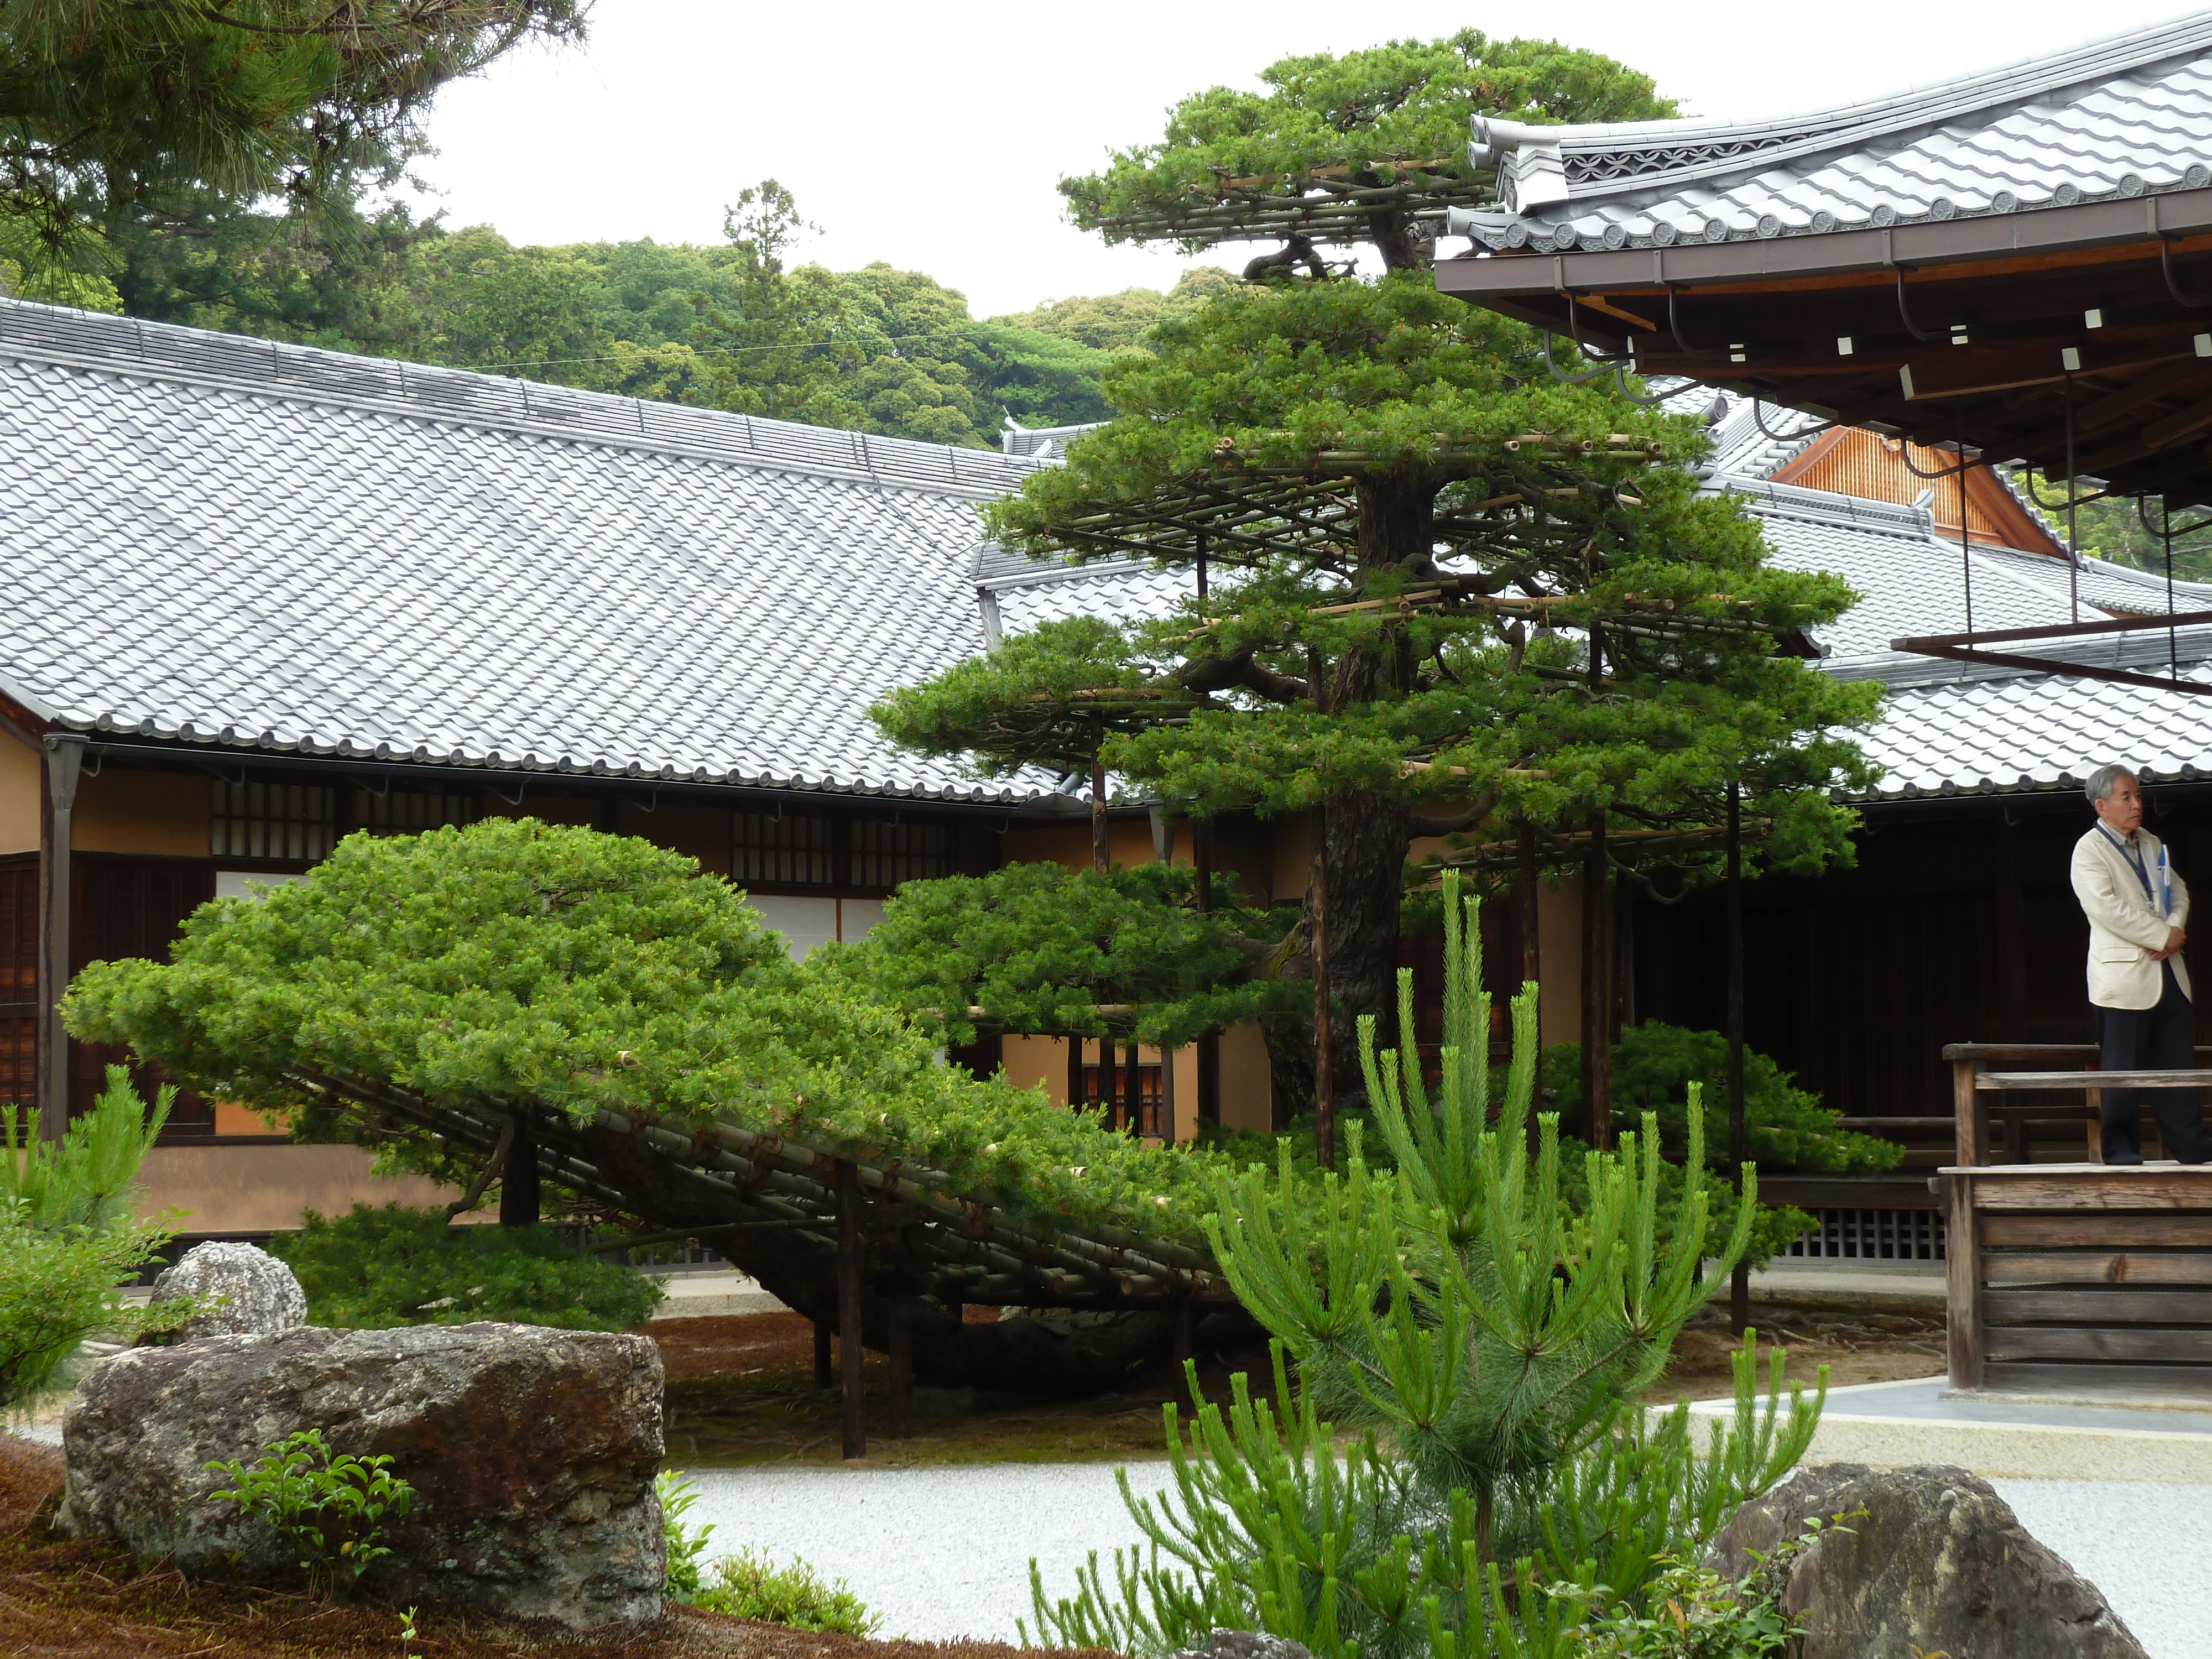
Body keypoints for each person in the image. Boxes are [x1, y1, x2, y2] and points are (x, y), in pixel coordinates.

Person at [2070, 763, 2212, 1164]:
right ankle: (2119, 1150)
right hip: (2123, 975)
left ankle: (2191, 1145)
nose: (2137, 804)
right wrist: (2158, 935)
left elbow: (2178, 891)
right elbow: (2104, 908)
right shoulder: (2089, 850)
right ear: (2101, 806)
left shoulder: (2150, 842)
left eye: (2138, 795)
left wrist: (2174, 929)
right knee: (2122, 1070)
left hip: (2168, 969)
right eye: (2126, 797)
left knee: (2177, 1065)